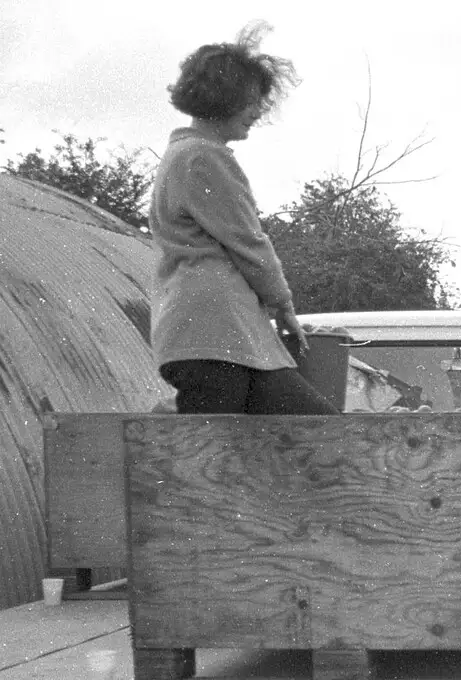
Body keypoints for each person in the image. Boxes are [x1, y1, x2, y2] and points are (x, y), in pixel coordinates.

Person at [149, 23, 336, 415]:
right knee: (221, 455)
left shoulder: (183, 154)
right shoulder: (204, 157)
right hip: (213, 334)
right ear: (223, 98)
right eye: (251, 100)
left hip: (226, 336)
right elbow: (249, 243)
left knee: (310, 430)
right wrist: (283, 305)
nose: (258, 111)